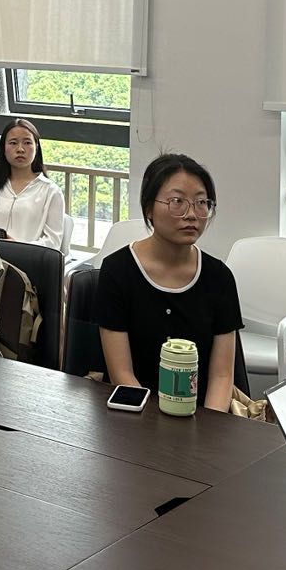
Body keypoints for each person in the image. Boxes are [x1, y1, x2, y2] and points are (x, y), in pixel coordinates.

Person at [96, 153, 242, 413]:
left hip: (202, 418)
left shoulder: (219, 277)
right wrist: (157, 429)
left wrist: (207, 427)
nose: (191, 214)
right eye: (177, 202)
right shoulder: (117, 271)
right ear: (149, 208)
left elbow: (221, 377)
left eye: (201, 203)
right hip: (133, 415)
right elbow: (122, 374)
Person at [0, 117, 64, 249]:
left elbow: (53, 242)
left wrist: (18, 247)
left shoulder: (51, 191)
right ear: (3, 148)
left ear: (36, 147)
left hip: (27, 259)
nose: (20, 149)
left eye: (27, 142)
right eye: (13, 143)